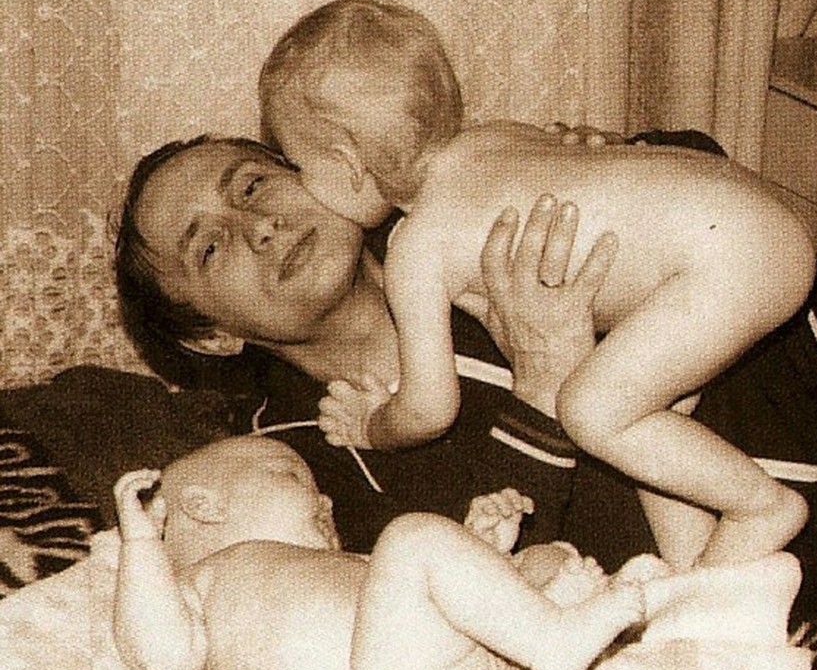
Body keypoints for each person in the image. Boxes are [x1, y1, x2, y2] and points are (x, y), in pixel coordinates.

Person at [259, 0, 816, 569]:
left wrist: (373, 425)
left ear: (347, 163)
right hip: (754, 220)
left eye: (300, 167)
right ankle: (694, 566)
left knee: (591, 410)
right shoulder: (498, 136)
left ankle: (761, 507)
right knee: (647, 415)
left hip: (727, 262)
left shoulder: (418, 245)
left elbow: (430, 409)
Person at [114, 134, 641, 561]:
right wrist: (543, 385)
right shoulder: (286, 469)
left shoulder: (457, 222)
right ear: (211, 336)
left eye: (253, 186)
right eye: (210, 247)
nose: (260, 227)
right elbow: (462, 597)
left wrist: (607, 166)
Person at [113, 434, 654, 670]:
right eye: (293, 477)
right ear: (203, 506)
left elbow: (421, 615)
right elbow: (162, 655)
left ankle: (557, 619)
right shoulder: (208, 579)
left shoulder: (347, 566)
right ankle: (555, 637)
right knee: (412, 538)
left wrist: (482, 551)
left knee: (545, 556)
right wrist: (139, 545)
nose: (326, 501)